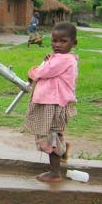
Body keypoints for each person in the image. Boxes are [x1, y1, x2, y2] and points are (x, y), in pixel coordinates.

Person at [24, 22, 78, 182]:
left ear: (73, 43)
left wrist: (31, 71)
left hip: (53, 105)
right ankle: (62, 150)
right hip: (52, 103)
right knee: (53, 135)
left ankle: (55, 173)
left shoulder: (64, 60)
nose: (57, 45)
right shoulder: (63, 58)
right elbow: (51, 66)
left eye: (63, 41)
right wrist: (50, 59)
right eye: (54, 41)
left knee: (50, 138)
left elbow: (43, 72)